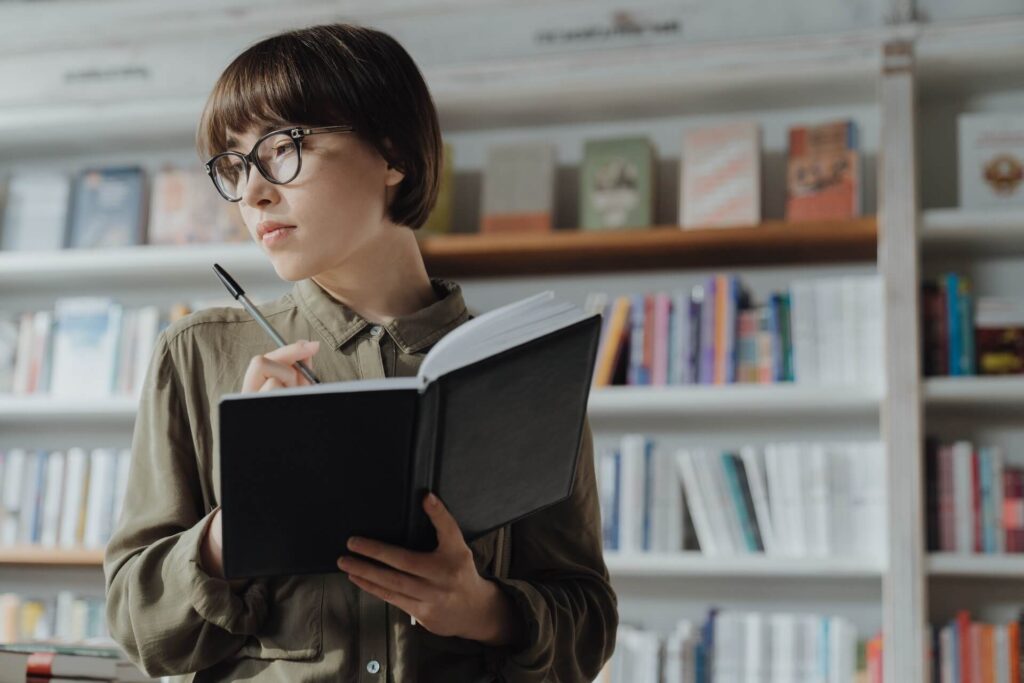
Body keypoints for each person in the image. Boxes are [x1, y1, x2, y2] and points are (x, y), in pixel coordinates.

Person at [103, 22, 617, 683]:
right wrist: (241, 521)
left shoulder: (522, 366)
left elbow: (589, 623)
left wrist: (482, 609)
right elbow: (138, 630)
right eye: (233, 166)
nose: (254, 192)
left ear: (393, 153)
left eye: (282, 147)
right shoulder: (198, 354)